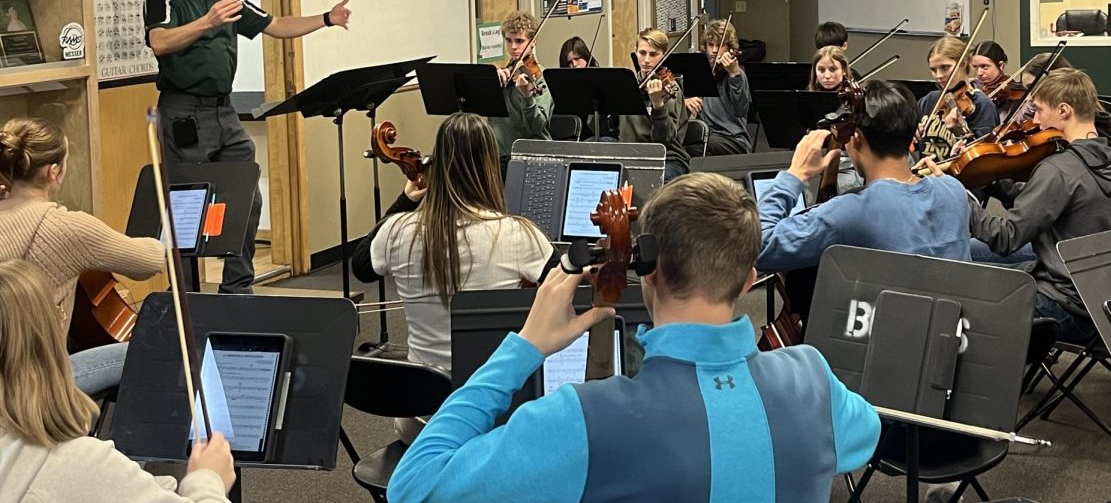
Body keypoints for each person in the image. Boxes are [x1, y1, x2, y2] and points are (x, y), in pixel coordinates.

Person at [387, 172, 880, 502]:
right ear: (750, 279)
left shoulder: (580, 419)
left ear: (649, 273)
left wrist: (526, 347)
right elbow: (867, 433)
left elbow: (413, 484)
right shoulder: (814, 380)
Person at [144, 0, 351, 294]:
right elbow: (159, 42)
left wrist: (326, 19)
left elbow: (275, 25)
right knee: (189, 207)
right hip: (183, 112)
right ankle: (186, 296)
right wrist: (206, 22)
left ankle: (237, 286)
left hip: (224, 112)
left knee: (247, 196)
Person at [0, 260, 235, 503]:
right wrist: (208, 479)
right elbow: (147, 260)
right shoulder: (77, 463)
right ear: (44, 339)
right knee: (152, 351)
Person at [359, 112, 553, 372]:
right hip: (489, 393)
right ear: (491, 168)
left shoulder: (396, 230)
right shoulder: (518, 234)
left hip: (422, 392)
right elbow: (570, 290)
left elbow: (361, 267)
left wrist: (405, 201)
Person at [958, 70, 1111, 343]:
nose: (1035, 121)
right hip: (1099, 296)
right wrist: (996, 179)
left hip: (1062, 306)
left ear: (1064, 111)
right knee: (974, 256)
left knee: (962, 293)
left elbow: (1005, 238)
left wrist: (958, 194)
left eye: (1039, 111)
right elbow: (1052, 202)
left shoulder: (1058, 170)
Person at [0, 118, 164, 396]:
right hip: (36, 387)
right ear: (55, 172)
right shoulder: (68, 227)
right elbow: (149, 262)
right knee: (156, 350)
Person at [758, 81, 972, 273]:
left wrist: (794, 175)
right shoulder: (953, 190)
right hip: (950, 315)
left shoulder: (853, 210)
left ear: (857, 138)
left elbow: (756, 247)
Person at [915, 36, 998, 161]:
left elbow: (982, 157)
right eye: (933, 69)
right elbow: (914, 146)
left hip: (960, 179)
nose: (938, 76)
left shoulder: (981, 104)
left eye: (945, 67)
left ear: (963, 63)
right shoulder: (928, 100)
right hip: (927, 176)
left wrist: (958, 131)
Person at [621, 28, 689, 181]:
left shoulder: (671, 88)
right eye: (642, 53)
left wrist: (658, 105)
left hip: (667, 158)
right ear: (635, 52)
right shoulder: (628, 84)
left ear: (663, 56)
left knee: (654, 184)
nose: (646, 60)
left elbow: (664, 140)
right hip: (631, 153)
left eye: (653, 54)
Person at [491, 10, 554, 162]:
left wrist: (527, 97)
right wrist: (492, 87)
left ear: (533, 41)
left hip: (534, 155)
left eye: (519, 41)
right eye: (509, 40)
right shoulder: (503, 76)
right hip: (501, 156)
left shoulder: (541, 77)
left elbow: (537, 127)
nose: (513, 47)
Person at [684, 18, 751, 155]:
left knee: (695, 149)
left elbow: (740, 110)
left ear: (729, 48)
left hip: (732, 139)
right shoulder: (702, 72)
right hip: (706, 133)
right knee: (678, 144)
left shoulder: (738, 74)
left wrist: (734, 75)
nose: (714, 51)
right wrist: (686, 101)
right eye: (710, 45)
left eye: (720, 45)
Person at [971, 41, 1020, 122]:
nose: (979, 73)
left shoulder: (1010, 95)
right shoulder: (972, 86)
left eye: (984, 66)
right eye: (975, 67)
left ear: (1001, 65)